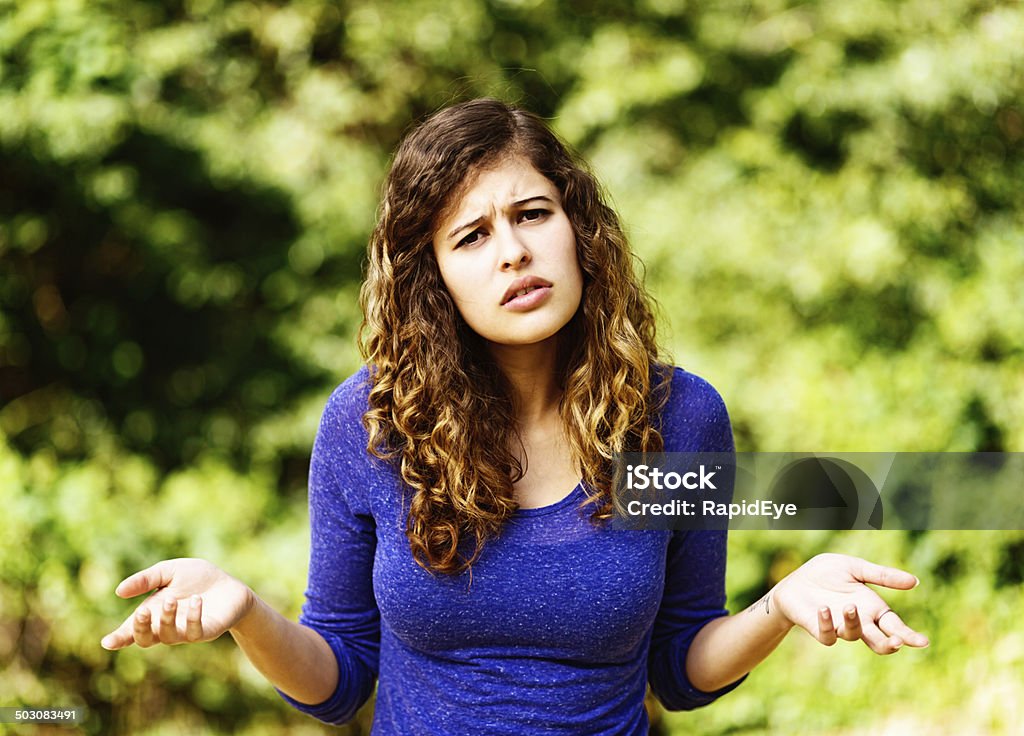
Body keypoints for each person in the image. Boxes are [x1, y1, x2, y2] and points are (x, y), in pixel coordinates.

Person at [101, 98, 929, 734]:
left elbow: (680, 669)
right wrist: (245, 613)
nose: (512, 252)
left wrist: (781, 605)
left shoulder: (679, 419)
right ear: (436, 281)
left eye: (532, 214)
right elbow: (342, 678)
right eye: (470, 236)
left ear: (578, 229)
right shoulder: (368, 423)